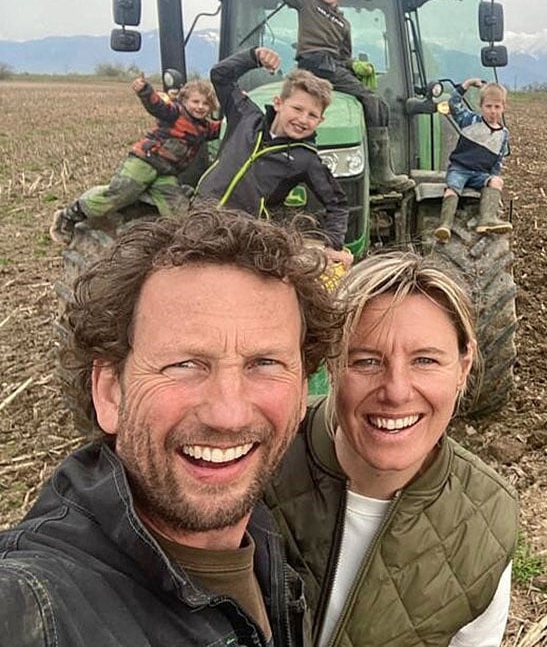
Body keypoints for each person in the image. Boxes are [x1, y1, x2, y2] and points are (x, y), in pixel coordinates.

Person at [0, 208, 344, 646]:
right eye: (183, 364)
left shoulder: (266, 552)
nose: (228, 414)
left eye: (265, 363)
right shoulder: (35, 604)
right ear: (110, 392)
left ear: (301, 393)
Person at [265, 251, 519, 647]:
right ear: (332, 365)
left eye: (425, 360)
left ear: (463, 367)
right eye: (367, 361)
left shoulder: (486, 521)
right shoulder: (261, 458)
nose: (397, 391)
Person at [268, 0, 413, 192]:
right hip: (314, 62)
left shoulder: (343, 24)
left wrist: (355, 65)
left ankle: (377, 168)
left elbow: (344, 56)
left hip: (332, 65)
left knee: (377, 103)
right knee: (370, 100)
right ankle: (381, 173)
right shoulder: (306, 2)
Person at [199, 45, 354, 267]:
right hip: (200, 215)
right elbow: (220, 75)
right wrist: (253, 57)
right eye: (298, 109)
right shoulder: (246, 117)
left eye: (312, 115)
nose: (303, 119)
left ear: (320, 121)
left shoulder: (305, 158)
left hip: (240, 237)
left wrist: (333, 245)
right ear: (279, 103)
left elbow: (337, 203)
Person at [49, 74, 220, 244]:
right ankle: (69, 215)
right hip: (145, 161)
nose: (200, 107)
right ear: (184, 101)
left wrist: (240, 106)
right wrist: (145, 90)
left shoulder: (205, 128)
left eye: (206, 103)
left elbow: (224, 128)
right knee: (121, 193)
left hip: (166, 172)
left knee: (179, 210)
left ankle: (180, 244)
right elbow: (157, 106)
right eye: (195, 102)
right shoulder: (175, 113)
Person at [434, 77, 512, 242]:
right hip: (460, 169)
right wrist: (466, 85)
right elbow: (454, 104)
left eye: (497, 107)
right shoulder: (470, 120)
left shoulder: (503, 134)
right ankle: (445, 226)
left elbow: (497, 161)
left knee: (497, 181)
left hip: (480, 175)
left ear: (503, 108)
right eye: (488, 106)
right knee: (452, 188)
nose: (492, 111)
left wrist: (491, 178)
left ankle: (487, 219)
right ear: (481, 106)